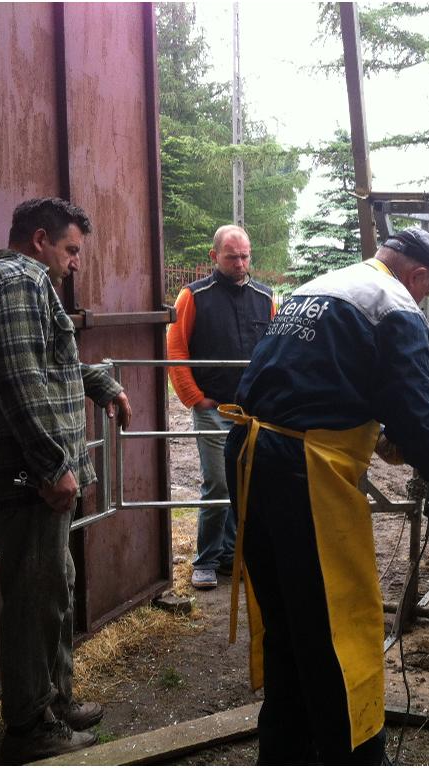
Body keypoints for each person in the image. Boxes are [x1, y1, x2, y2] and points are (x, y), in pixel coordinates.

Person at [222, 227, 429, 764]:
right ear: (419, 276)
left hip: (250, 457)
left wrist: (368, 434)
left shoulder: (319, 286)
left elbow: (310, 382)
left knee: (287, 621)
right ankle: (351, 755)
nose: (422, 299)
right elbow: (414, 406)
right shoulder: (395, 303)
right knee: (338, 625)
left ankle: (285, 752)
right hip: (301, 473)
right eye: (427, 290)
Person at [0, 197, 133, 761]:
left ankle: (54, 701)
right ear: (40, 239)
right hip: (25, 478)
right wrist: (52, 464)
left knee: (52, 587)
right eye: (71, 249)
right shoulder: (17, 282)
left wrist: (100, 383)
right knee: (35, 599)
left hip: (28, 473)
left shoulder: (19, 283)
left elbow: (47, 364)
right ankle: (29, 728)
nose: (76, 262)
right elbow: (19, 377)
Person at [166, 225, 275, 590]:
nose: (240, 264)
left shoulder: (265, 297)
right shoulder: (193, 296)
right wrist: (195, 398)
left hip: (253, 412)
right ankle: (206, 560)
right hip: (213, 408)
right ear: (214, 257)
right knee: (218, 483)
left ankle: (231, 555)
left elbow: (274, 352)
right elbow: (177, 349)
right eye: (232, 257)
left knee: (247, 484)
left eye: (245, 256)